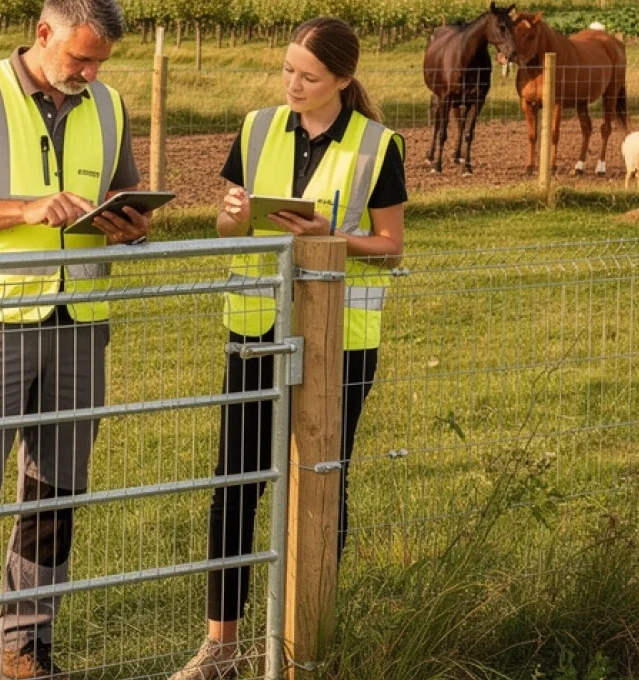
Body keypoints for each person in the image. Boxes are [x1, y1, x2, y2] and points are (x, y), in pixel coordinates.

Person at [0, 0, 150, 677]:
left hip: (80, 323)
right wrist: (25, 209)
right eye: (81, 58)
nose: (92, 72)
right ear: (43, 34)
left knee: (55, 496)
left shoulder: (109, 105)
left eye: (100, 61)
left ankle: (25, 650)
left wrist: (131, 224)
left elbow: (124, 193)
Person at [171, 17, 407, 680]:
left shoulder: (378, 145)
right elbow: (227, 227)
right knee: (235, 484)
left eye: (308, 76)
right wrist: (232, 215)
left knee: (322, 484)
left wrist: (328, 233)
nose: (292, 85)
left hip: (341, 341)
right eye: (287, 71)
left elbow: (390, 249)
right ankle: (221, 648)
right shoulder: (255, 128)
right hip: (255, 331)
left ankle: (308, 646)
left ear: (343, 79)